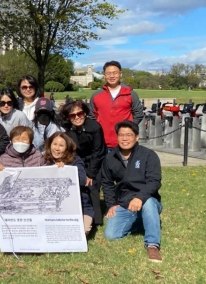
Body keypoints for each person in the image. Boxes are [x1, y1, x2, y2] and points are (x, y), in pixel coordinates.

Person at [102, 120, 163, 262]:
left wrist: (140, 197)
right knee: (111, 235)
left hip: (148, 199)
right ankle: (143, 221)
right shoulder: (110, 158)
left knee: (148, 205)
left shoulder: (148, 155)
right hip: (124, 202)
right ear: (117, 137)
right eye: (121, 135)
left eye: (129, 135)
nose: (125, 138)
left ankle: (152, 244)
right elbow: (107, 183)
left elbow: (154, 181)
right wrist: (111, 204)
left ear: (137, 137)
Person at [60, 100, 107, 225]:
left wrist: (90, 174)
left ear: (85, 113)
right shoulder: (68, 130)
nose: (77, 117)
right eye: (72, 115)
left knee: (92, 186)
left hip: (95, 161)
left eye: (79, 113)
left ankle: (97, 219)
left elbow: (98, 152)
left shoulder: (95, 127)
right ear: (68, 118)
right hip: (77, 160)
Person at [43, 132, 93, 235]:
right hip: (53, 207)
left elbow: (83, 180)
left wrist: (65, 170)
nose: (57, 148)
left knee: (82, 232)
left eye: (61, 146)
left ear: (67, 148)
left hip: (79, 205)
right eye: (54, 144)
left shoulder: (75, 160)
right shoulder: (44, 160)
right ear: (50, 145)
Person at [89, 60, 144, 148]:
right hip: (102, 143)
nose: (112, 76)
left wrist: (128, 128)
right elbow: (91, 116)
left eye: (115, 73)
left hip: (124, 143)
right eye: (108, 73)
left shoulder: (130, 93)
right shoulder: (96, 95)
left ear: (120, 74)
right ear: (104, 75)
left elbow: (138, 114)